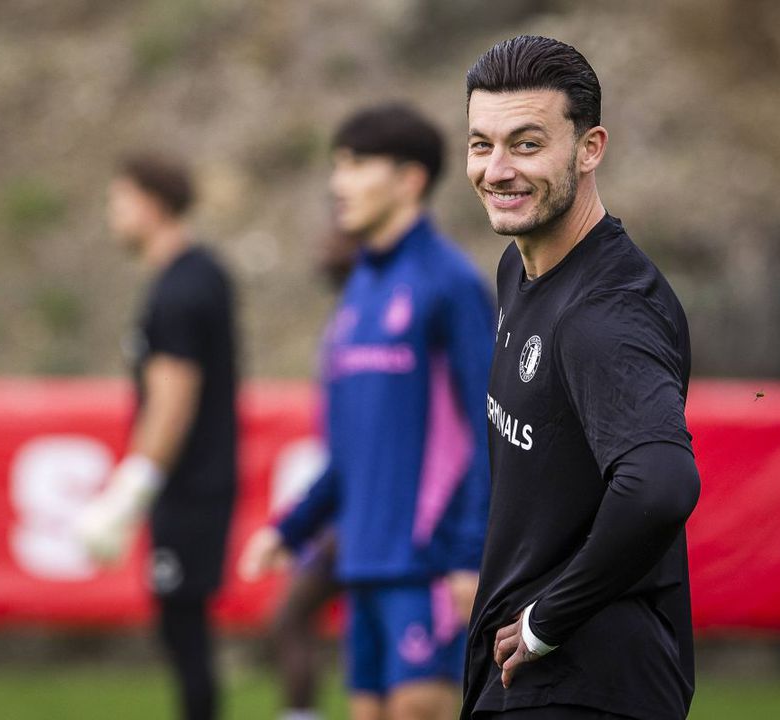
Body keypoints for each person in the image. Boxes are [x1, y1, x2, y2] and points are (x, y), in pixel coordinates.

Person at [460, 36, 701, 719]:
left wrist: (547, 619)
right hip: (530, 675)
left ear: (590, 148)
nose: (497, 170)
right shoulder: (519, 269)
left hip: (588, 683)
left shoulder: (605, 312)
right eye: (481, 145)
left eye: (527, 144)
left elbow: (660, 483)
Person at [240, 104, 494, 720]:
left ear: (409, 179)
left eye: (355, 166)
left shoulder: (450, 283)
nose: (338, 184)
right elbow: (351, 450)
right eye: (337, 167)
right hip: (363, 562)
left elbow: (493, 428)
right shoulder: (358, 290)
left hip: (428, 565)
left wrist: (469, 554)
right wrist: (291, 528)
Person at [76, 155, 238, 720]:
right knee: (184, 631)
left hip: (189, 488)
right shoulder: (202, 271)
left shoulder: (179, 290)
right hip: (201, 483)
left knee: (184, 632)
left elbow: (172, 400)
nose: (112, 215)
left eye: (119, 202)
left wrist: (130, 491)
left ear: (152, 204)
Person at [268, 227, 359, 720]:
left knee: (291, 617)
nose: (321, 242)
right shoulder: (348, 316)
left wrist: (337, 521)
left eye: (336, 233)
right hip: (346, 506)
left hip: (365, 513)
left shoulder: (377, 315)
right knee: (292, 618)